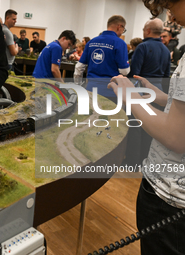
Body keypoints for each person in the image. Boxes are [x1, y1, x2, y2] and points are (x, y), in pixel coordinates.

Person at [109, 1, 185, 254]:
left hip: (170, 196)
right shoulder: (166, 49)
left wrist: (130, 96)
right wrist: (158, 96)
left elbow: (175, 136)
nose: (167, 9)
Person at [125, 18, 170, 168]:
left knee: (134, 126)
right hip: (158, 93)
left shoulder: (142, 47)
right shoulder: (165, 50)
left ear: (147, 30)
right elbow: (166, 75)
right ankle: (145, 160)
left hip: (141, 91)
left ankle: (132, 162)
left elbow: (135, 74)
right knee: (151, 129)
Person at [74, 15, 130, 102]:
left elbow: (79, 67)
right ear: (119, 27)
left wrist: (78, 85)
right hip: (110, 92)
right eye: (124, 30)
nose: (122, 32)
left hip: (91, 89)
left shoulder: (91, 42)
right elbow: (124, 71)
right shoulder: (120, 43)